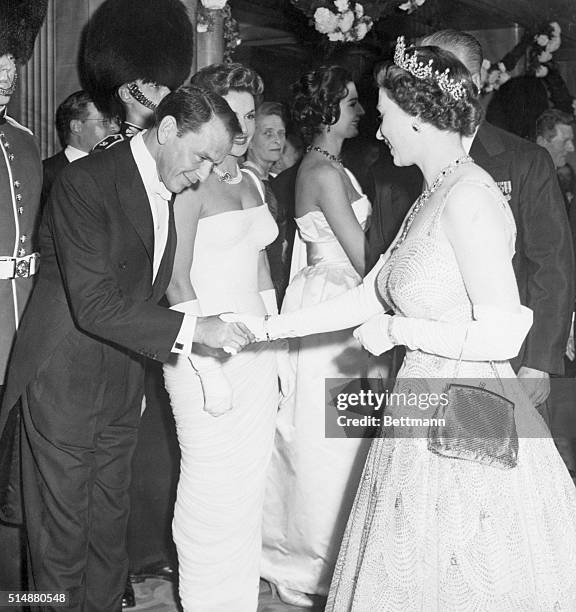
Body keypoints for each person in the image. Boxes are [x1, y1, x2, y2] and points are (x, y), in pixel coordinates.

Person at [236, 38, 576, 610]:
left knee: (469, 567)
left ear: (418, 118)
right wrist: (261, 330)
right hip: (425, 404)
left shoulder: (469, 197)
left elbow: (505, 331)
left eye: (388, 115)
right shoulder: (434, 191)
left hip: (471, 406)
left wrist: (399, 333)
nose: (379, 129)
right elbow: (370, 294)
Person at [0, 85, 254, 612]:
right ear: (165, 131)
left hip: (119, 383)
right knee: (61, 550)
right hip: (63, 386)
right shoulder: (85, 181)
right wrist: (195, 330)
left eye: (216, 161)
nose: (205, 174)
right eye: (201, 156)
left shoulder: (171, 184)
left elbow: (151, 285)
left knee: (108, 538)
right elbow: (95, 305)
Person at [79, 1, 195, 600]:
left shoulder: (168, 157)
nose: (170, 91)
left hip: (147, 335)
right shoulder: (102, 169)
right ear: (133, 87)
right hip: (106, 342)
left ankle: (135, 561)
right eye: (159, 83)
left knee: (140, 465)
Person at [162, 63, 282, 611]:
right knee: (211, 487)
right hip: (199, 351)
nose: (243, 125)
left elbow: (259, 268)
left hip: (256, 347)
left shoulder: (254, 180)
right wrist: (207, 364)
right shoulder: (189, 186)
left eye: (251, 113)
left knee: (250, 489)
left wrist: (277, 339)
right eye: (232, 112)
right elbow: (176, 277)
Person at [418, 30, 575, 418]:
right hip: (426, 361)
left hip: (508, 359)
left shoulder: (524, 161)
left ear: (470, 82)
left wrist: (539, 361)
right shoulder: (400, 168)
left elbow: (551, 264)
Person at [260, 65, 372, 607]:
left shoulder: (329, 166)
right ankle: (317, 560)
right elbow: (364, 257)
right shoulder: (324, 173)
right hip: (335, 303)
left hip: (331, 298)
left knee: (338, 432)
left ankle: (328, 551)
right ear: (328, 111)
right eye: (350, 103)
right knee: (332, 438)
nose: (360, 110)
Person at [0, 0, 47, 601]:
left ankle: (22, 595)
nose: (7, 71)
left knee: (16, 476)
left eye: (13, 58)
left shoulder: (23, 139)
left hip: (24, 322)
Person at [79, 0, 193, 151]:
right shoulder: (111, 151)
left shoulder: (177, 145)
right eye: (155, 86)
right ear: (126, 94)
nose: (166, 93)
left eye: (168, 87)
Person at [41, 90, 119, 209]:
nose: (115, 128)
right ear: (76, 127)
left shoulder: (120, 169)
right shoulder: (44, 175)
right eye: (105, 122)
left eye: (116, 120)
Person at [244, 101, 289, 303]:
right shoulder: (244, 180)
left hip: (277, 277)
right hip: (257, 282)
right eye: (268, 133)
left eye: (281, 133)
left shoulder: (273, 182)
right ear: (250, 139)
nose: (277, 140)